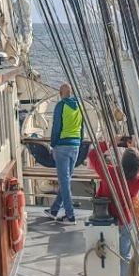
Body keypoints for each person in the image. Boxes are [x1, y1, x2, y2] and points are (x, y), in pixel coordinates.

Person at [87, 139, 139, 276]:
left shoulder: (110, 173)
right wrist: (136, 148)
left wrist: (112, 141)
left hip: (105, 221)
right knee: (124, 258)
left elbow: (92, 155)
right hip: (124, 222)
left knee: (102, 255)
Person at [45, 83, 84, 223]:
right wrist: (79, 142)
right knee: (66, 180)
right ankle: (54, 210)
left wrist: (53, 144)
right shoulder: (79, 106)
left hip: (62, 146)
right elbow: (82, 128)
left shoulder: (61, 106)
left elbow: (56, 127)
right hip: (76, 146)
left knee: (64, 181)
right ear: (71, 93)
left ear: (61, 94)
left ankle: (70, 215)